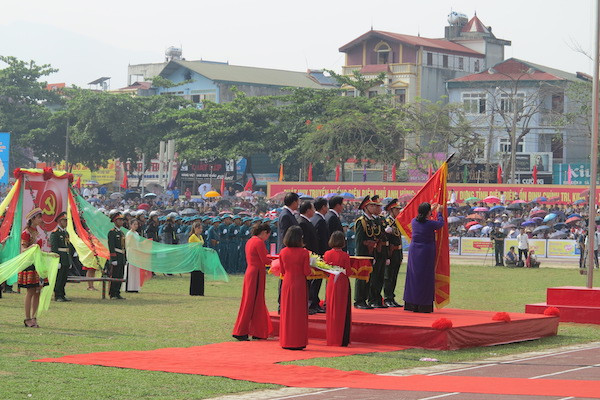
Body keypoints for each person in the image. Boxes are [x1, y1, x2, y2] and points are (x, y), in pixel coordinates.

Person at [232, 223, 273, 341]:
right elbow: (265, 259)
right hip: (256, 273)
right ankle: (242, 331)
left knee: (250, 301)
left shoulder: (250, 241)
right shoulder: (259, 242)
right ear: (264, 232)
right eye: (267, 235)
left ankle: (253, 331)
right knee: (253, 302)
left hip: (251, 272)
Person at [403, 202, 445, 313]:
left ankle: (411, 303)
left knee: (413, 276)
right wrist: (439, 212)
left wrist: (429, 210)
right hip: (426, 251)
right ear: (428, 213)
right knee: (425, 277)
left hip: (414, 251)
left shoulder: (414, 221)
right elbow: (440, 224)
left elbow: (423, 218)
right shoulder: (430, 224)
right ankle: (423, 305)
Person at [279, 226, 311, 350]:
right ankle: (298, 341)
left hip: (287, 282)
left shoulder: (283, 252)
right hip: (299, 284)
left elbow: (282, 270)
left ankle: (286, 340)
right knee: (299, 313)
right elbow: (306, 271)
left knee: (287, 312)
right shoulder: (303, 252)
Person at [19, 208, 47, 327]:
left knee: (38, 291)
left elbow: (39, 250)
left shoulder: (38, 232)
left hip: (39, 263)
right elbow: (23, 250)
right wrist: (33, 247)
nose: (41, 219)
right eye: (39, 217)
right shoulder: (26, 232)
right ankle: (27, 318)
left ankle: (34, 317)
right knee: (30, 291)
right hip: (30, 264)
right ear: (33, 219)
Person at [323, 231, 352, 347]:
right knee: (342, 310)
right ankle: (342, 338)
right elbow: (348, 272)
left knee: (331, 309)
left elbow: (325, 270)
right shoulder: (345, 255)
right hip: (343, 283)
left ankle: (332, 337)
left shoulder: (327, 254)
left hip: (331, 282)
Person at [309, 197, 329, 313]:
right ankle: (313, 303)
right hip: (320, 254)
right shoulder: (320, 220)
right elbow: (322, 239)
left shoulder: (314, 219)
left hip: (316, 253)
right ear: (323, 207)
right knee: (316, 280)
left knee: (315, 280)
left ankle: (314, 302)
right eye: (326, 206)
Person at [383, 199, 403, 308]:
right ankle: (387, 298)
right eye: (396, 209)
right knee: (388, 277)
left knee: (394, 276)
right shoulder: (387, 222)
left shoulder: (396, 222)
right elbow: (386, 241)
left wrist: (400, 256)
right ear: (391, 210)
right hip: (391, 252)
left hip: (397, 252)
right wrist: (387, 256)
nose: (399, 211)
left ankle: (391, 297)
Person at [50, 211, 74, 302]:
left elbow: (68, 247)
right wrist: (57, 260)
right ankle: (58, 295)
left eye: (66, 221)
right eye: (64, 221)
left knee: (64, 278)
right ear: (60, 221)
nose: (66, 222)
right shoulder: (55, 233)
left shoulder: (66, 233)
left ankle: (62, 294)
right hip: (60, 258)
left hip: (66, 258)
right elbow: (54, 248)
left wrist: (70, 260)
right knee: (59, 278)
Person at [107, 211, 126, 300]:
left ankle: (117, 292)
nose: (121, 222)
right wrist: (113, 258)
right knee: (114, 275)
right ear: (115, 221)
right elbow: (111, 246)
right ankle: (112, 293)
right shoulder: (112, 233)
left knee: (120, 275)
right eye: (119, 220)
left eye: (122, 220)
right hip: (116, 257)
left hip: (121, 256)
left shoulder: (121, 233)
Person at [188, 221, 205, 296]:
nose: (200, 230)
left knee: (201, 272)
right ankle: (194, 291)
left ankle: (200, 291)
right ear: (195, 228)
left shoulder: (200, 236)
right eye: (199, 228)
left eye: (201, 228)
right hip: (194, 256)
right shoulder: (193, 237)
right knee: (195, 273)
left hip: (200, 256)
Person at [125, 218, 142, 293]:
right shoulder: (129, 234)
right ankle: (129, 287)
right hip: (131, 252)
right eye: (134, 224)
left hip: (136, 253)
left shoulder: (136, 233)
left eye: (137, 224)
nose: (136, 226)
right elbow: (128, 244)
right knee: (131, 269)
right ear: (130, 225)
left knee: (136, 270)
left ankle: (135, 287)